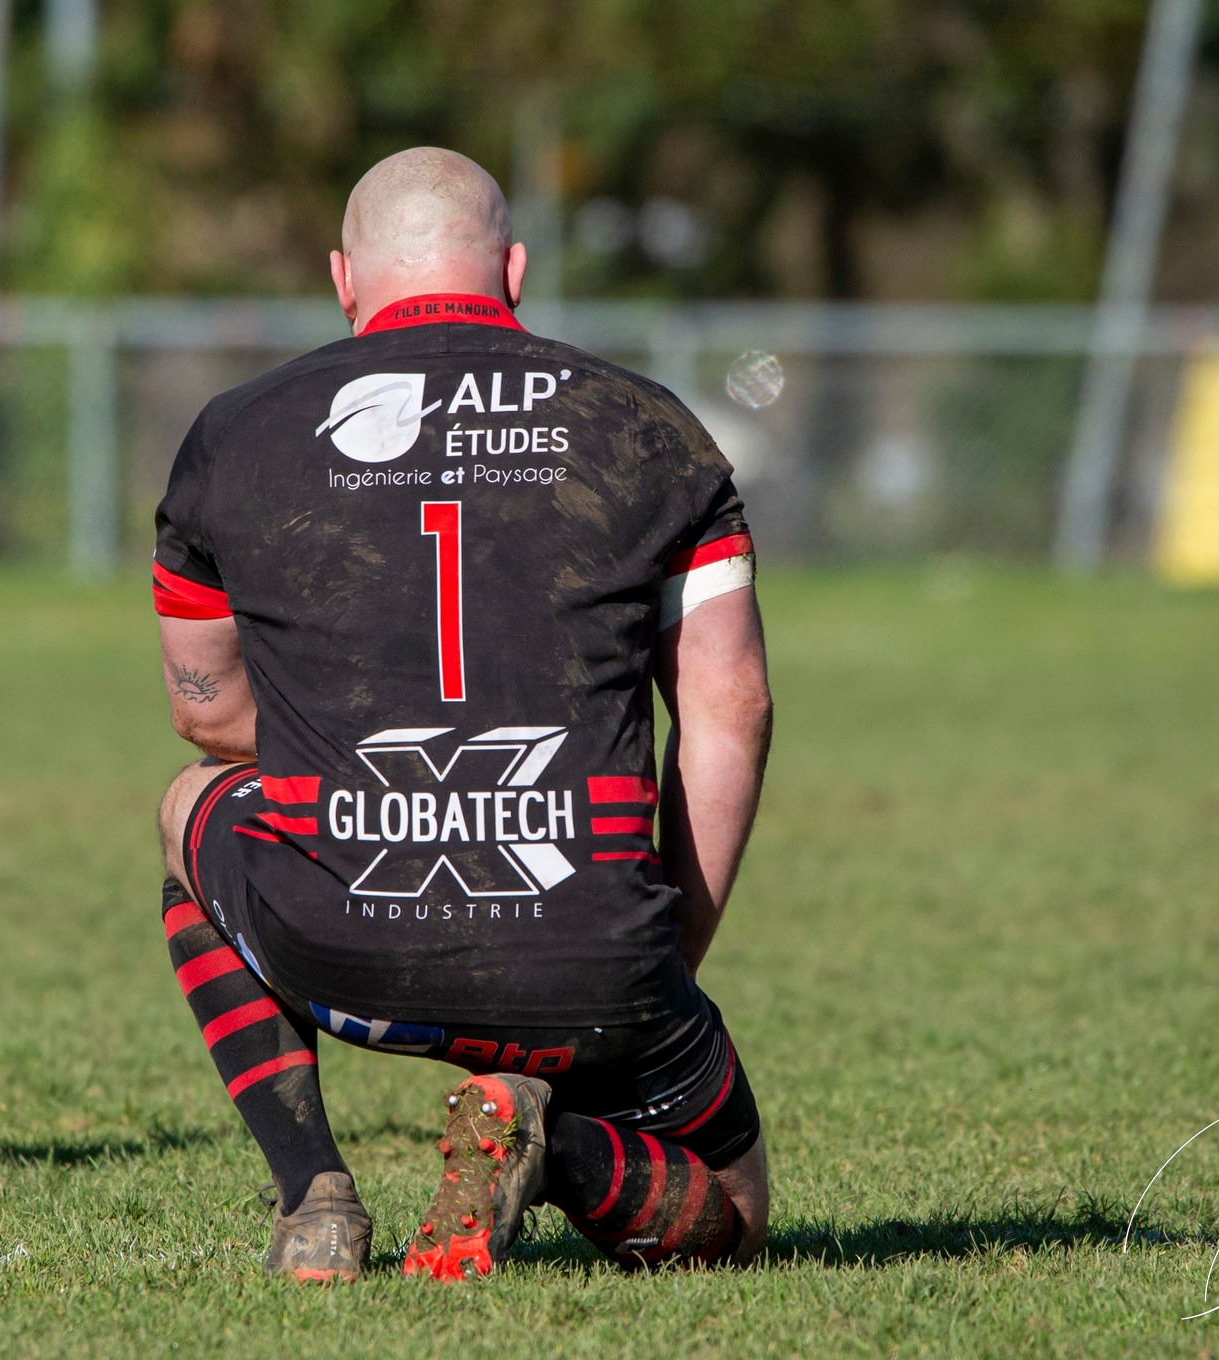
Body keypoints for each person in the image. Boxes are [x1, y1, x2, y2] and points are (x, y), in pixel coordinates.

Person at [150, 148, 772, 1282]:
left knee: (187, 807)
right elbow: (728, 706)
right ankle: (565, 1142)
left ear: (344, 278)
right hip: (591, 941)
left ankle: (315, 1199)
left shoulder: (234, 436)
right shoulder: (649, 428)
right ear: (515, 269)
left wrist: (376, 781)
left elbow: (210, 716)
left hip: (336, 934)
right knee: (733, 1210)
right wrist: (652, 964)